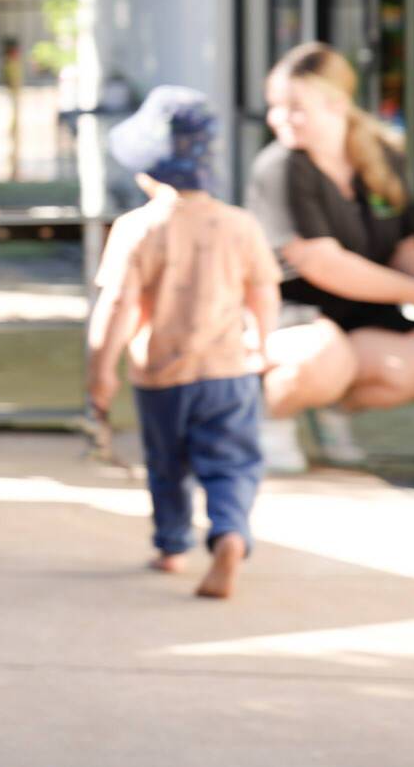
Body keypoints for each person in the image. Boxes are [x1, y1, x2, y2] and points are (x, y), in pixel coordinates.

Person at [86, 87, 280, 599]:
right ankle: (230, 534)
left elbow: (119, 308)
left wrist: (101, 371)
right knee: (232, 464)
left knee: (167, 465)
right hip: (229, 373)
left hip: (162, 378)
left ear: (148, 171)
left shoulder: (136, 229)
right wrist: (263, 344)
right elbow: (263, 291)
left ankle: (172, 547)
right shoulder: (240, 225)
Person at [246, 43, 414, 467]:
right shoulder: (279, 168)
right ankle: (267, 420)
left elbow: (403, 243)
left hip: (356, 316)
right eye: (275, 106)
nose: (278, 118)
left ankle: (331, 412)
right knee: (323, 356)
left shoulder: (381, 156)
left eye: (294, 106)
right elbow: (321, 262)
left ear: (336, 103)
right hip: (288, 315)